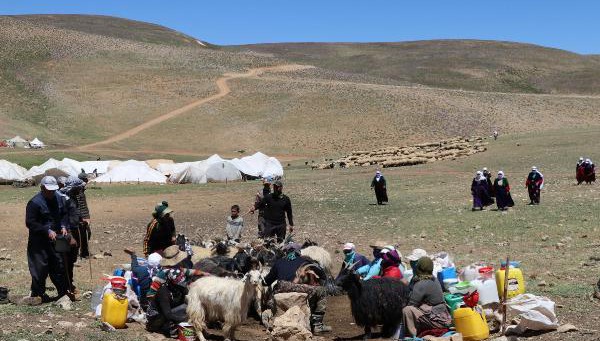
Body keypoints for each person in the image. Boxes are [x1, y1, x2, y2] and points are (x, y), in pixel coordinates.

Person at [264, 243, 331, 333]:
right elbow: (323, 276)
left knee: (272, 290)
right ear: (299, 252)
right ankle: (317, 325)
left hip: (281, 289)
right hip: (300, 289)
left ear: (286, 252)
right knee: (322, 291)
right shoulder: (306, 261)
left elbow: (266, 282)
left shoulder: (279, 262)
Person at [25, 176, 70, 303]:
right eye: (48, 190)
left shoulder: (59, 199)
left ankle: (63, 292)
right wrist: (46, 230)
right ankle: (38, 294)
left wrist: (63, 225)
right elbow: (30, 222)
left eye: (53, 190)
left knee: (58, 265)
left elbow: (64, 214)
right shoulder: (34, 203)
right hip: (39, 242)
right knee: (40, 268)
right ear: (42, 188)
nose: (51, 193)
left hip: (56, 240)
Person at [146, 245, 209, 337]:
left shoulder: (176, 271)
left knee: (188, 306)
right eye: (179, 281)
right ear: (172, 280)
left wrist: (204, 273)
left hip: (169, 307)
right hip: (157, 318)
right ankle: (167, 328)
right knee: (185, 312)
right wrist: (189, 320)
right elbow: (168, 314)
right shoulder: (162, 290)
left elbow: (189, 271)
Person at [402, 257, 452, 338]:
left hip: (437, 321)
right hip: (442, 317)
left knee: (407, 310)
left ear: (419, 268)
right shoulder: (434, 279)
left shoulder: (422, 284)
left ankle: (411, 337)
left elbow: (411, 303)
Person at [57, 176, 85, 294]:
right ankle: (65, 287)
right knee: (64, 260)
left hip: (74, 231)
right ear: (74, 187)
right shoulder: (64, 199)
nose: (81, 190)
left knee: (71, 260)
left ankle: (70, 284)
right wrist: (70, 236)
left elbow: (73, 215)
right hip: (66, 233)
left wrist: (80, 221)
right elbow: (62, 218)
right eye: (79, 188)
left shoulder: (73, 197)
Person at [76, 171, 91, 258]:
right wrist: (82, 218)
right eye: (85, 179)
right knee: (83, 234)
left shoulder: (81, 189)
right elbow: (78, 206)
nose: (87, 181)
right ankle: (83, 252)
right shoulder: (77, 190)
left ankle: (84, 251)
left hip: (85, 216)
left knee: (87, 233)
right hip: (81, 217)